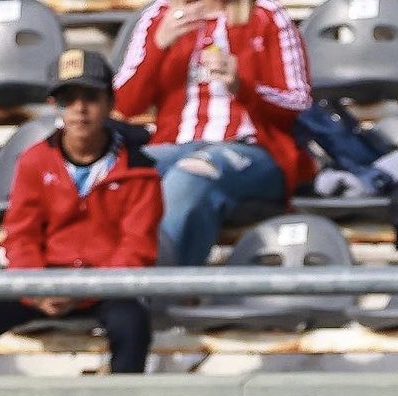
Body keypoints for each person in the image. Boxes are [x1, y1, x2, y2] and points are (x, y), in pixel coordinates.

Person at [0, 51, 162, 375]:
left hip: (107, 286)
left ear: (108, 103)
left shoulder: (140, 170)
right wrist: (37, 287)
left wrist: (84, 289)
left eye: (90, 97)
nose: (79, 109)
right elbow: (21, 233)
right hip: (41, 284)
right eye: (67, 99)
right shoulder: (34, 161)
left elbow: (136, 248)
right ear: (54, 107)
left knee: (132, 325)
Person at [113, 0, 312, 267]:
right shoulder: (159, 15)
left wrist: (243, 86)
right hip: (173, 146)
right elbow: (123, 105)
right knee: (120, 172)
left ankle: (162, 291)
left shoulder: (267, 15)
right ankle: (104, 286)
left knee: (191, 175)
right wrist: (158, 45)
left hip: (254, 151)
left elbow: (298, 103)